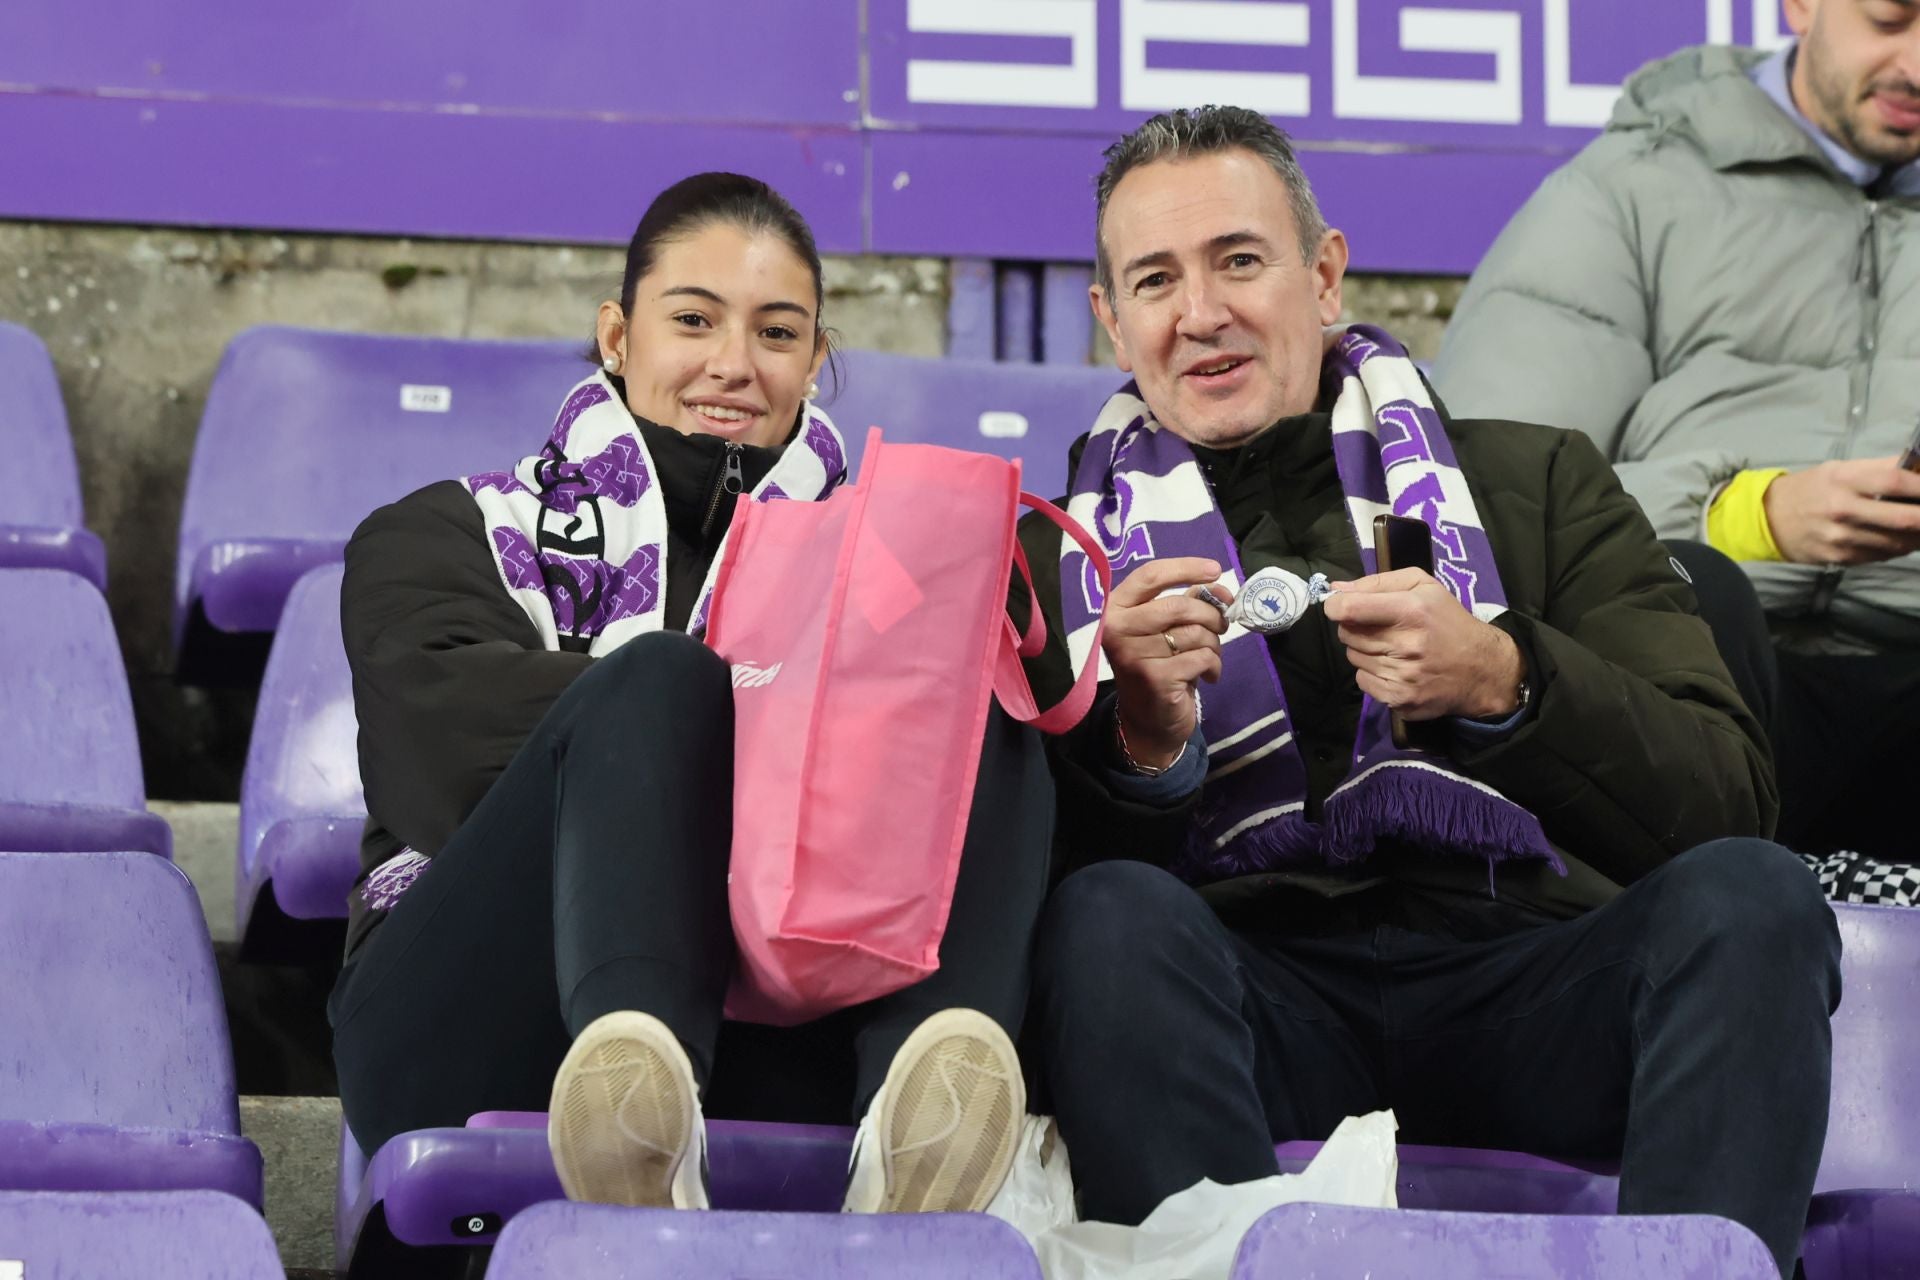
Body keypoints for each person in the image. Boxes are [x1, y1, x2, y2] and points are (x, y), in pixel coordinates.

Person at [1013, 107, 1840, 1278]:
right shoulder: (1061, 562)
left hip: (1535, 979)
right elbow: (1017, 915)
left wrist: (1509, 676)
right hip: (1255, 1000)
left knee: (1753, 896)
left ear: (1326, 273)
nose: (1200, 313)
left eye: (1240, 260)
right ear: (1112, 320)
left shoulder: (1536, 480)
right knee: (1105, 920)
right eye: (1155, 279)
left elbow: (1723, 801)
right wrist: (1146, 745)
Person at [328, 172, 1047, 1216]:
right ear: (618, 336)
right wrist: (770, 721)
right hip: (474, 1014)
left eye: (777, 333)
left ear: (814, 362)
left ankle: (918, 1122)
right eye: (694, 319)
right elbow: (439, 763)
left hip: (781, 1035)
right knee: (664, 679)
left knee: (976, 673)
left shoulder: (892, 581)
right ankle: (636, 1091)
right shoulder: (443, 530)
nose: (733, 364)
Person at [1433, 1, 1920, 903]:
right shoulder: (1630, 188)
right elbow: (1477, 504)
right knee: (1706, 594)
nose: (1918, 65)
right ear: (1801, 5)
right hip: (1699, 676)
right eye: (1891, 17)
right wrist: (1750, 515)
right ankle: (1688, 944)